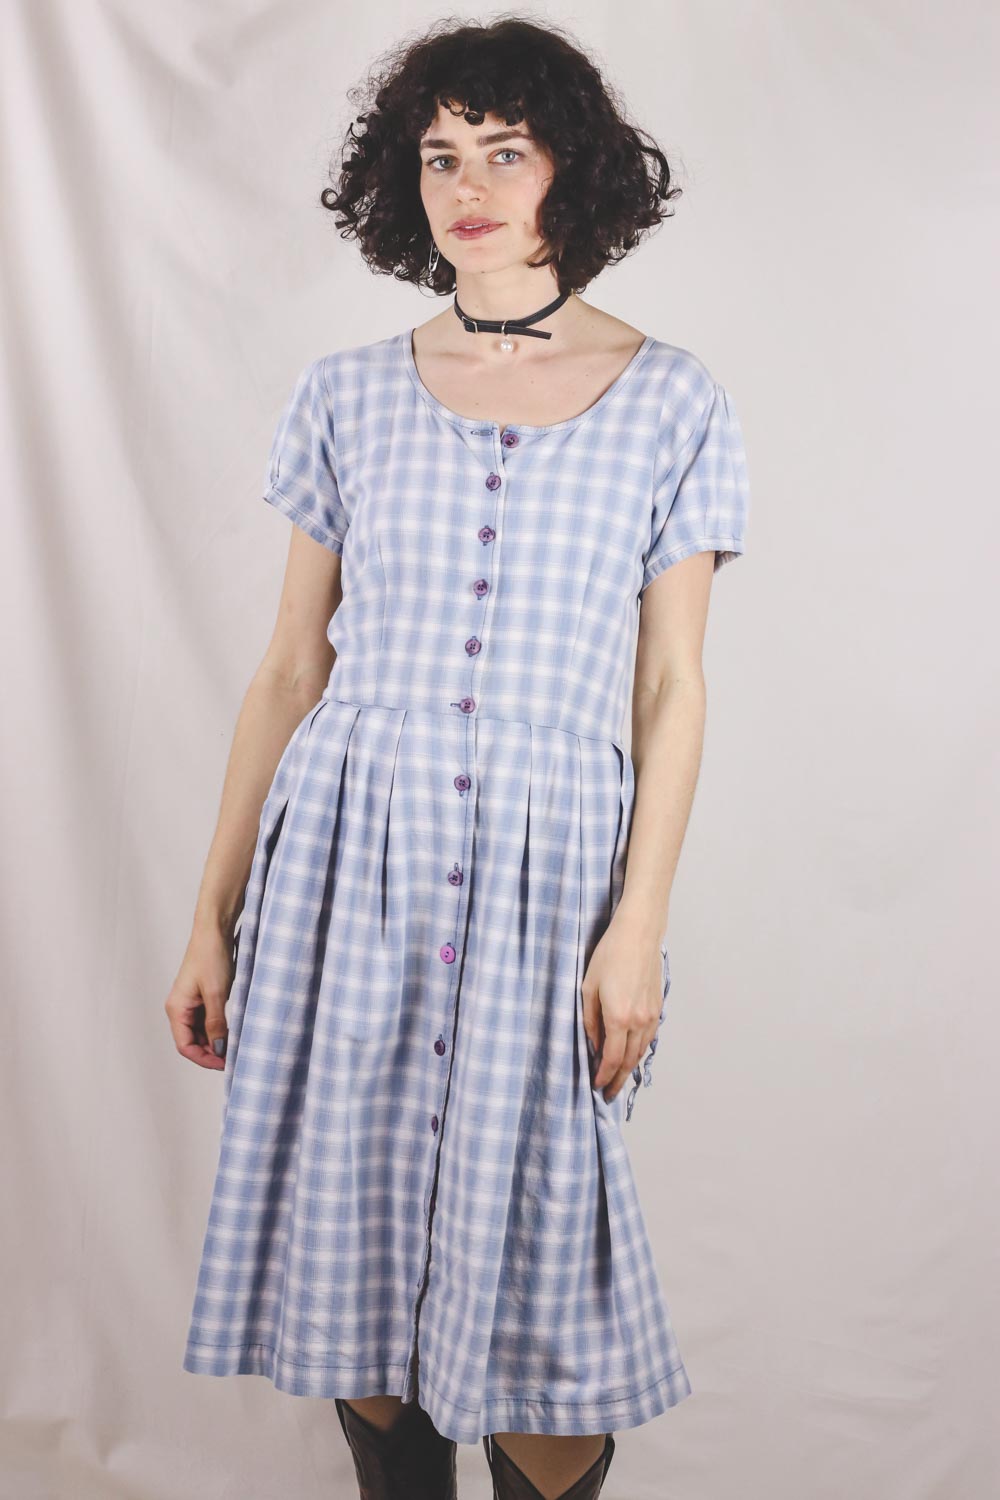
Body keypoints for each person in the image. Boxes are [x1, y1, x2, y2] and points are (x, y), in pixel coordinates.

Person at [165, 16, 751, 1500]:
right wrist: (211, 914)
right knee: (351, 1256)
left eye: (505, 150)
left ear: (574, 170)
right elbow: (290, 667)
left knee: (541, 1282)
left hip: (551, 879)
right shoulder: (346, 393)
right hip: (344, 859)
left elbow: (672, 685)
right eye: (438, 155)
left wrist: (640, 925)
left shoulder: (673, 398)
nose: (468, 185)